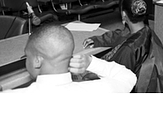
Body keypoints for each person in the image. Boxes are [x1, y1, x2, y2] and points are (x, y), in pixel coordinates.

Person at [3, 24, 136, 94]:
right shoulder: (99, 90)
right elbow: (128, 77)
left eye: (27, 56)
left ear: (37, 60)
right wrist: (91, 62)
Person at [76, 0, 151, 76]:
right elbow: (119, 35)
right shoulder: (145, 30)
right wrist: (97, 40)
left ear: (124, 14)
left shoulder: (128, 50)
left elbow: (115, 76)